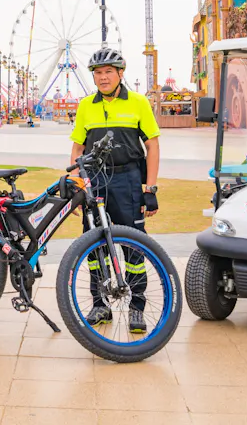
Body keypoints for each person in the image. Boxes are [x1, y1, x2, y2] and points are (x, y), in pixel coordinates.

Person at [69, 47, 161, 334]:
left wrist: (150, 188)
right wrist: (76, 185)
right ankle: (100, 305)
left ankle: (137, 307)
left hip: (127, 180)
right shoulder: (86, 106)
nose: (103, 77)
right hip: (95, 180)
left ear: (121, 73)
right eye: (98, 73)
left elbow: (152, 145)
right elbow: (78, 148)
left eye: (109, 71)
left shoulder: (138, 103)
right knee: (94, 246)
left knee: (134, 246)